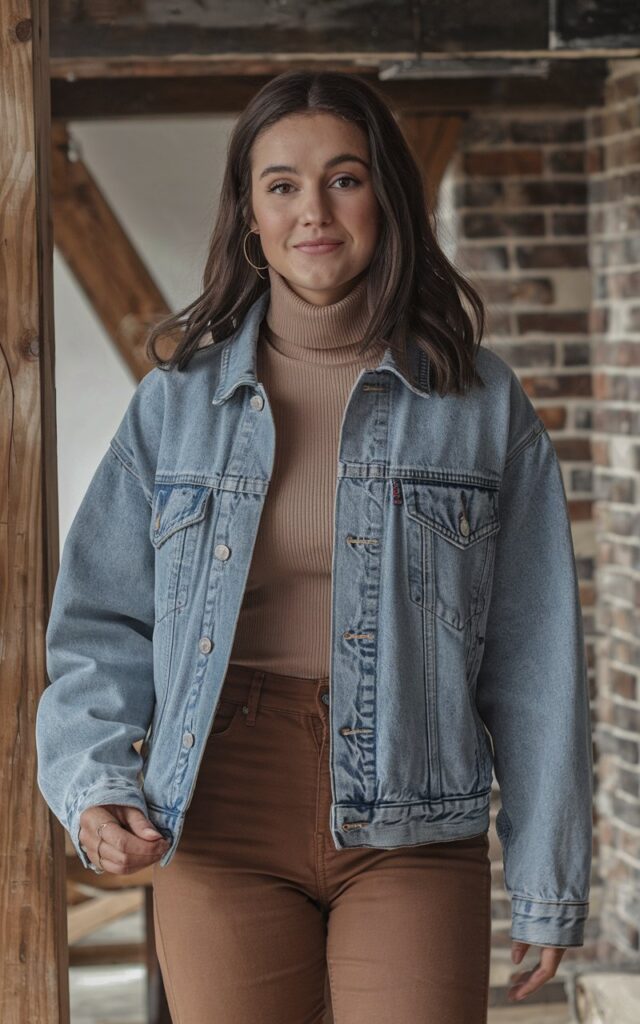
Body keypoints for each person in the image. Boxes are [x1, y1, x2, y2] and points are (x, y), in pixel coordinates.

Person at [36, 70, 593, 1023]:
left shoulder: (481, 405)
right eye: (282, 186)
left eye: (344, 178)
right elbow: (100, 624)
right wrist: (94, 787)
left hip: (413, 819)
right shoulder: (176, 408)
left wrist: (547, 876)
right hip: (219, 809)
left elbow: (535, 659)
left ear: (387, 198)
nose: (314, 212)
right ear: (249, 216)